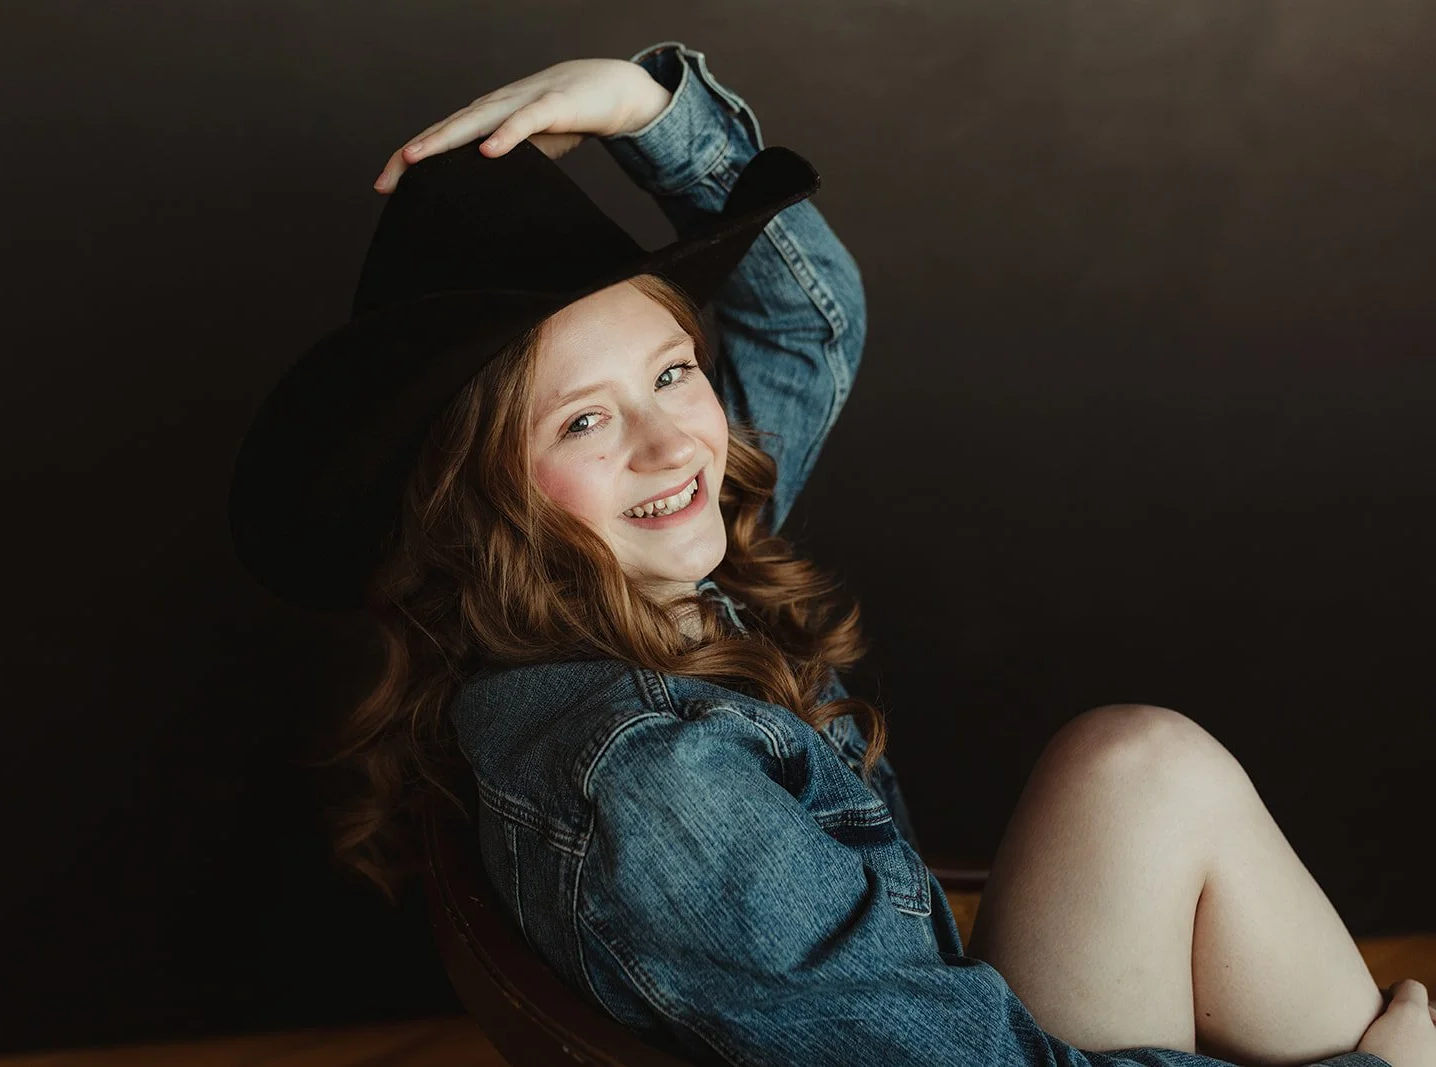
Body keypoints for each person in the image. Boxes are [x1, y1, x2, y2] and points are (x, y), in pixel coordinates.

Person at [228, 38, 1435, 1067]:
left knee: (1139, 761)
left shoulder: (628, 575)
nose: (669, 442)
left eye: (671, 371)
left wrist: (650, 107)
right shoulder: (651, 776)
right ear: (477, 493)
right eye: (582, 420)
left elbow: (804, 323)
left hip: (921, 1012)